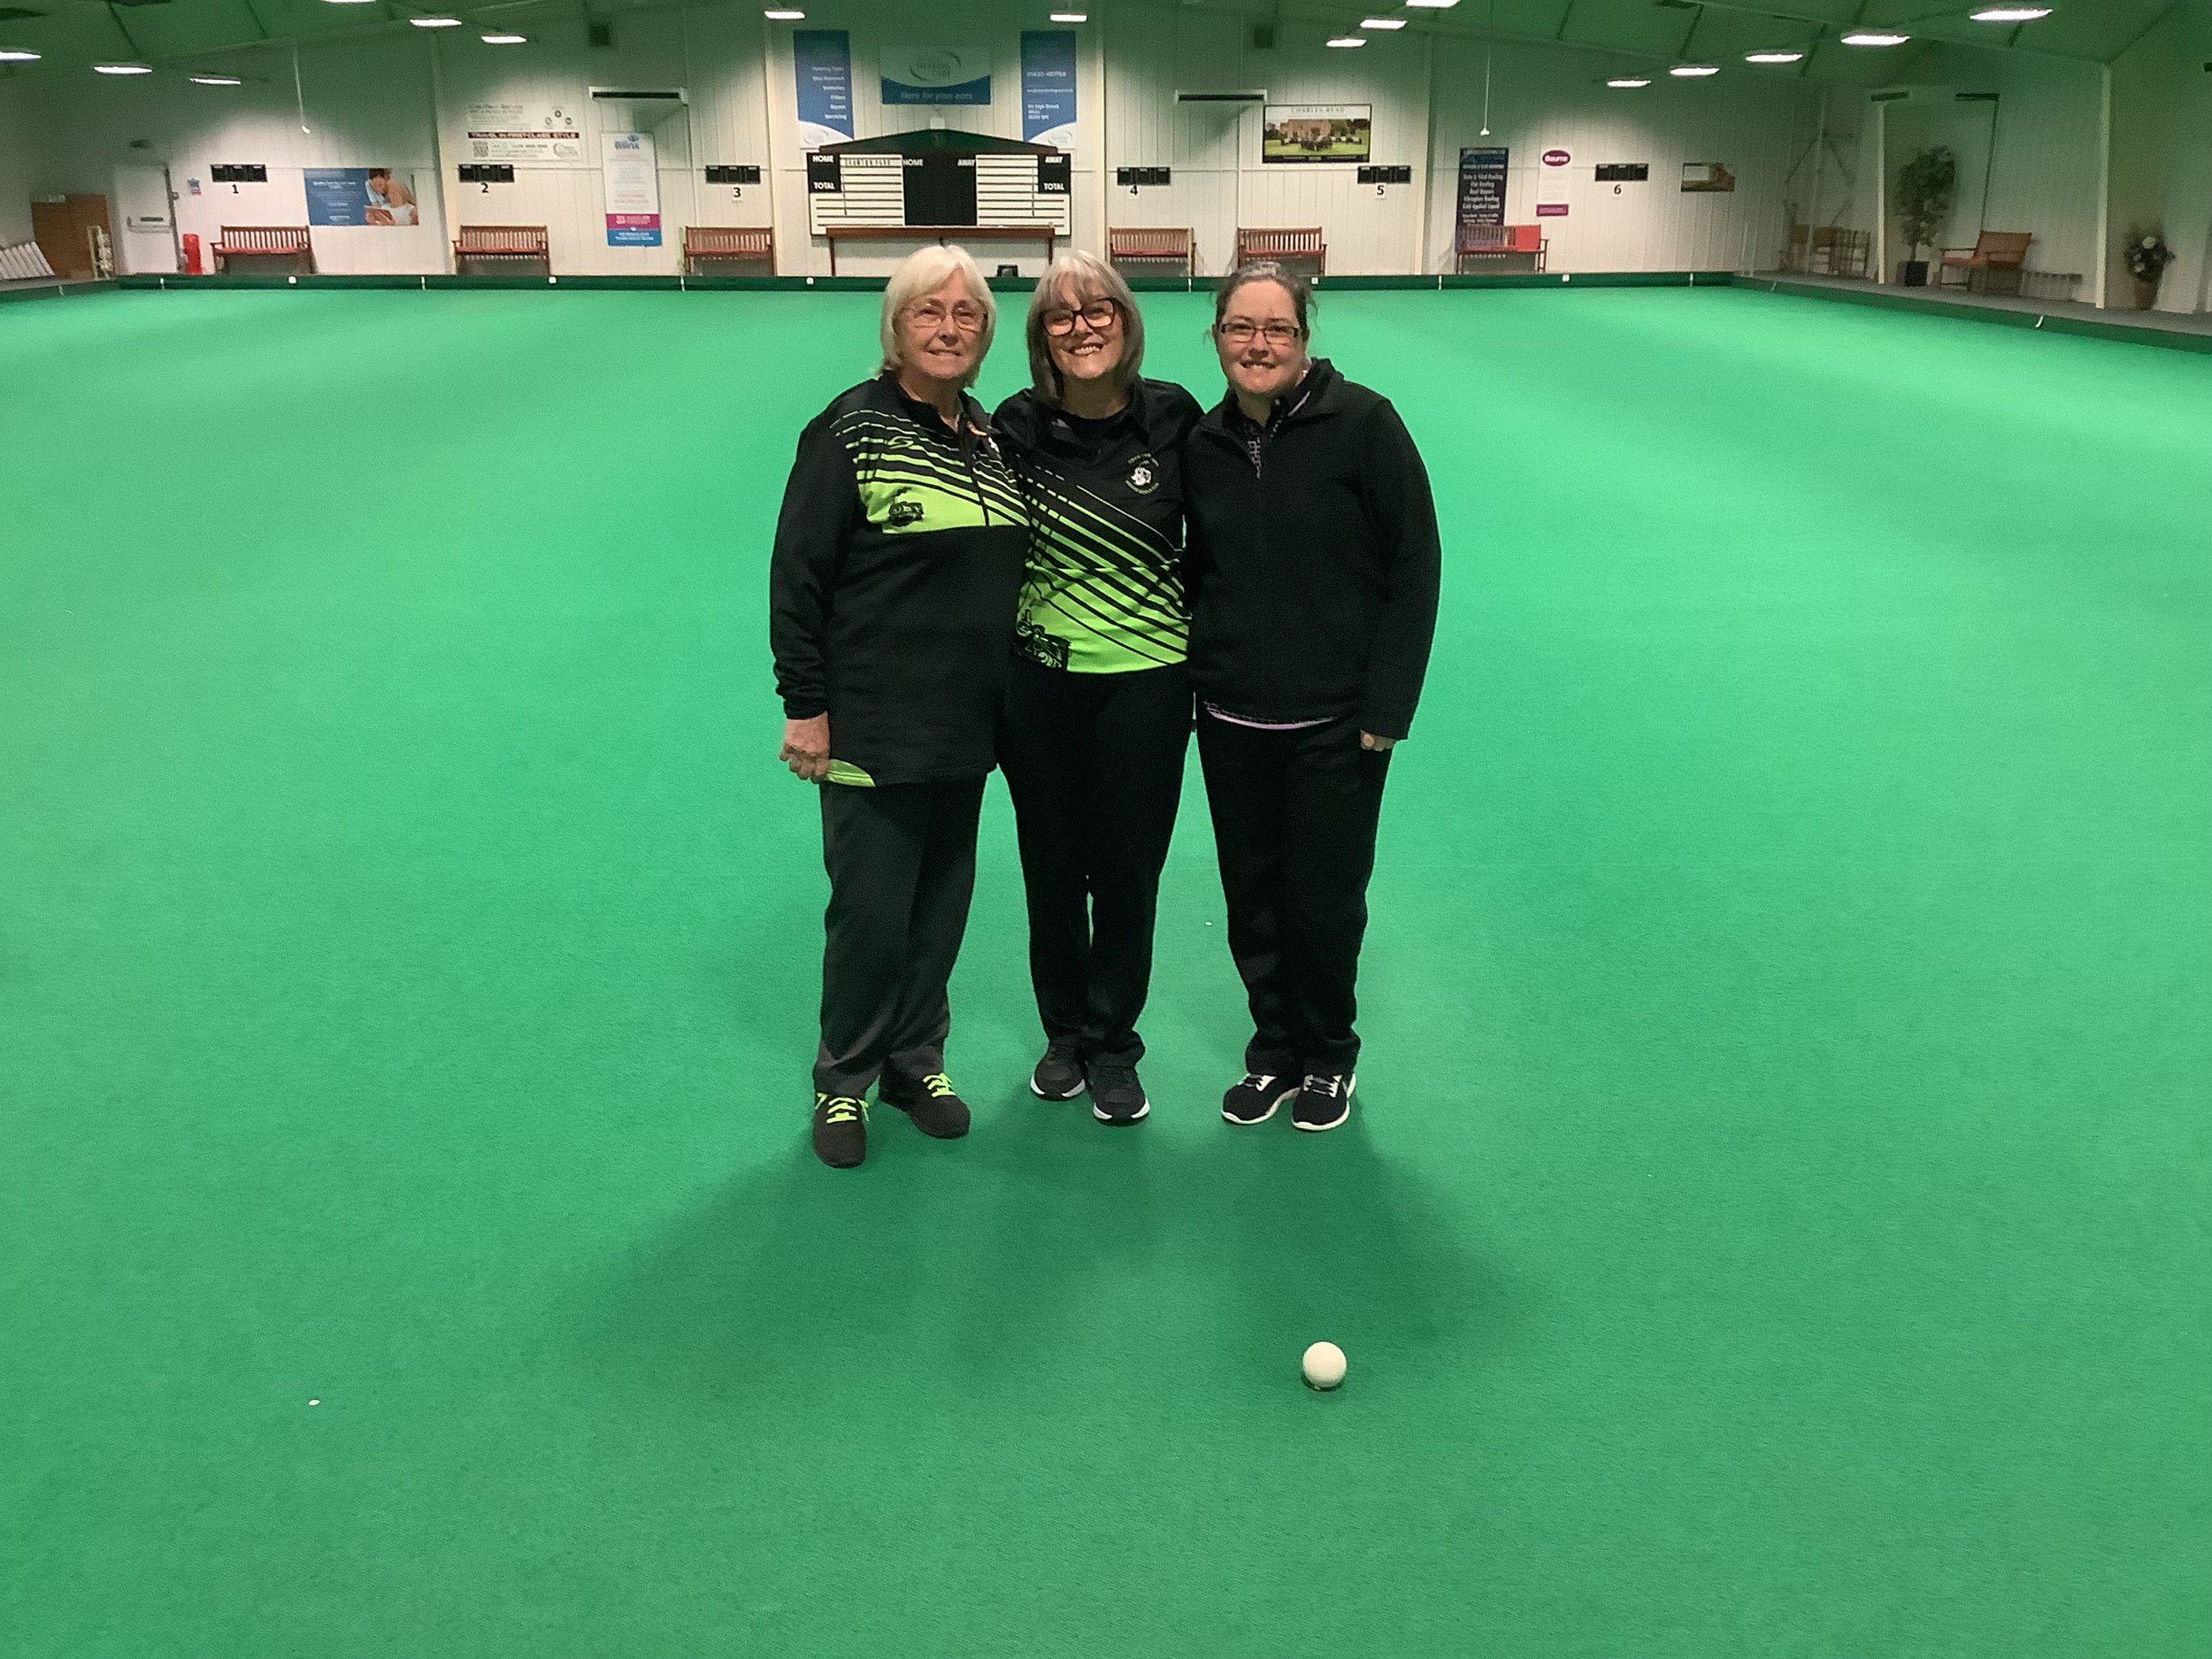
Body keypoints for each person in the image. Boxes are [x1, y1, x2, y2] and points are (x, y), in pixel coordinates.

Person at [769, 245, 1031, 1169]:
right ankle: (842, 1079)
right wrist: (806, 707)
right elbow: (799, 577)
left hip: (967, 727)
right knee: (872, 913)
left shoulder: (991, 435)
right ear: (895, 327)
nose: (949, 327)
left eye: (967, 314)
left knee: (939, 909)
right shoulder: (848, 429)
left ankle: (918, 1063)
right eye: (929, 312)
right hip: (874, 721)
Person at [1181, 261, 1440, 1133]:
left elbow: (1414, 569)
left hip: (1335, 725)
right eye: (1239, 328)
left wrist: (1384, 711)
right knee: (1251, 898)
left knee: (1323, 901)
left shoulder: (1364, 424)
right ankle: (1274, 1055)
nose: (1257, 345)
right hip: (1228, 717)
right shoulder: (1203, 442)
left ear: (1304, 336)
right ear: (1215, 335)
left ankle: (1328, 1056)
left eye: (1276, 329)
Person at [993, 253, 1202, 1126]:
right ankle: (1065, 1034)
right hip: (1038, 686)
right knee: (1050, 868)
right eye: (1058, 316)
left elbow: (1235, 533)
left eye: (1097, 310)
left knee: (1126, 873)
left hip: (1148, 685)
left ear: (1126, 319)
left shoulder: (1175, 417)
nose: (1080, 326)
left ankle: (1114, 1045)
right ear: (1041, 337)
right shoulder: (1014, 426)